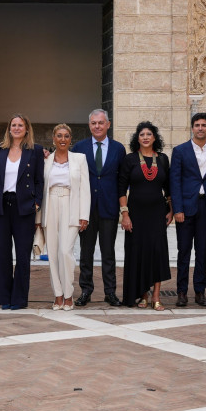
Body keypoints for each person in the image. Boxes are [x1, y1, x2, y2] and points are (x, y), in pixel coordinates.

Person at [0, 114, 45, 310]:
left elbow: (39, 180)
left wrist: (36, 203)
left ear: (27, 129)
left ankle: (19, 299)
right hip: (1, 206)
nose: (17, 128)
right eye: (14, 125)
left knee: (22, 255)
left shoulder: (34, 151)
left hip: (24, 207)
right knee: (0, 254)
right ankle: (5, 298)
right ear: (9, 128)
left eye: (20, 125)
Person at [72, 109, 126, 307]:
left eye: (101, 123)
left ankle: (110, 292)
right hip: (85, 209)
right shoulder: (79, 147)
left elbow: (122, 180)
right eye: (94, 123)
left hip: (109, 207)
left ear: (108, 124)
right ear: (89, 125)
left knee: (108, 253)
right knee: (85, 253)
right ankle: (86, 290)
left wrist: (123, 209)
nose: (97, 126)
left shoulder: (119, 149)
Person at [170, 113, 206, 307]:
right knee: (184, 251)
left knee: (202, 251)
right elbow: (174, 182)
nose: (200, 128)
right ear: (192, 128)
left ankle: (200, 291)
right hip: (185, 208)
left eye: (203, 125)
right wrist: (177, 208)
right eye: (197, 125)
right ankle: (182, 292)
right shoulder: (180, 151)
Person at [119, 121, 173, 310]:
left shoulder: (164, 159)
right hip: (135, 214)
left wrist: (171, 210)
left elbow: (169, 189)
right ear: (137, 138)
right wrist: (125, 215)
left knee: (157, 252)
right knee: (138, 253)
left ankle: (156, 296)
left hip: (157, 213)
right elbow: (121, 189)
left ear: (155, 137)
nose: (145, 137)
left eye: (149, 134)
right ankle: (143, 295)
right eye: (142, 134)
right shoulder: (130, 159)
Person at [40, 124, 90, 310]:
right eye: (59, 136)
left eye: (66, 136)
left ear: (71, 139)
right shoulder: (46, 160)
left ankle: (68, 294)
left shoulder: (80, 159)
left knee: (65, 251)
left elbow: (85, 188)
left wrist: (84, 214)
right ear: (53, 139)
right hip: (50, 203)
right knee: (52, 252)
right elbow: (41, 188)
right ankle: (58, 295)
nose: (62, 139)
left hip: (71, 204)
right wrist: (38, 219)